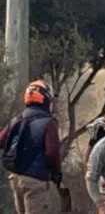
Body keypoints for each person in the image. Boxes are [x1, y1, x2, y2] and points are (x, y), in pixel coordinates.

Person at [0, 80, 62, 213]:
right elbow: (52, 153)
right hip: (35, 181)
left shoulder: (17, 119)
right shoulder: (49, 123)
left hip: (15, 178)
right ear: (46, 99)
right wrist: (56, 174)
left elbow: (1, 140)